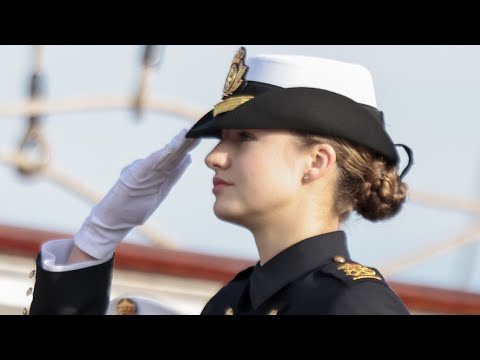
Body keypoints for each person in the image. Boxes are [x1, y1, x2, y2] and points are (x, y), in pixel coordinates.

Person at [28, 47, 413, 315]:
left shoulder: (354, 305)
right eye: (221, 139)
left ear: (315, 161)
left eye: (244, 137)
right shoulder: (232, 302)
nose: (214, 157)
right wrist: (93, 244)